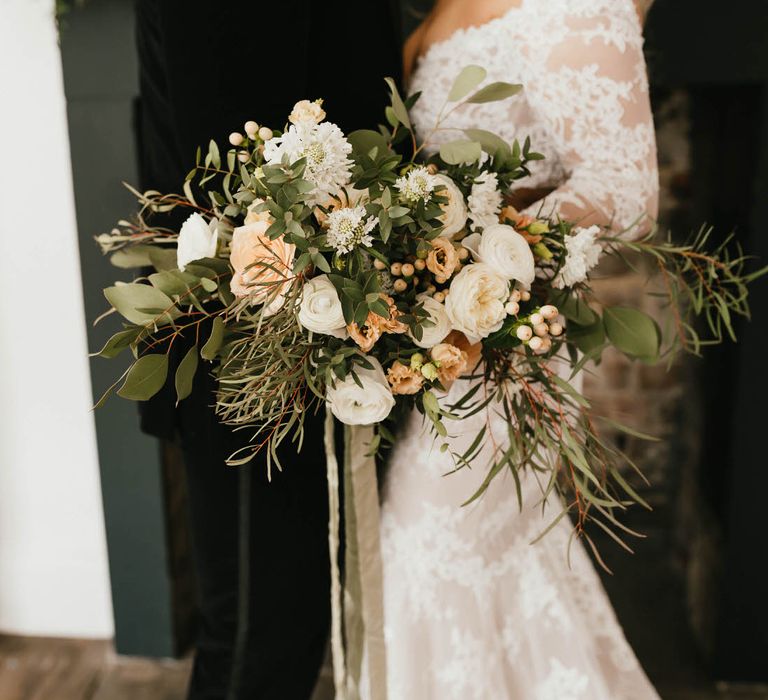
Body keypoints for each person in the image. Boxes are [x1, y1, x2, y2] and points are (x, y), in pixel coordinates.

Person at [374, 0, 661, 697]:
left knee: (437, 552)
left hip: (506, 349)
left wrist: (478, 251)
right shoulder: (432, 14)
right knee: (456, 561)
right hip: (439, 354)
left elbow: (628, 191)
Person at [133, 2, 402, 698]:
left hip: (298, 343)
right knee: (260, 638)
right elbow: (238, 180)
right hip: (253, 351)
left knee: (283, 627)